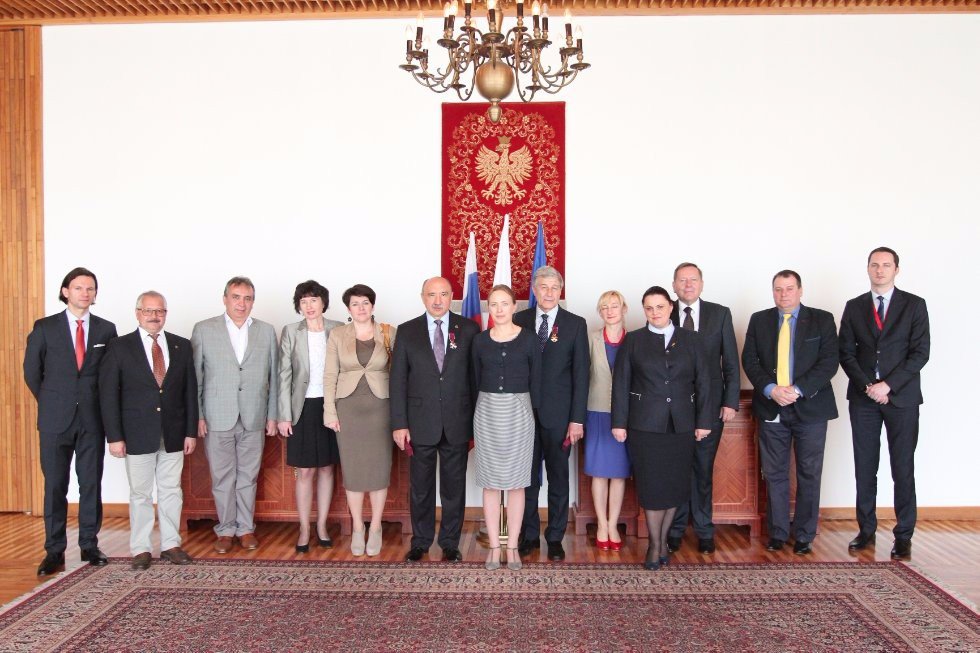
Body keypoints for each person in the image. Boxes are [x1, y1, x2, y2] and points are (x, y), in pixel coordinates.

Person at [24, 267, 118, 576]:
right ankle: (54, 550)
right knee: (55, 486)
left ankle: (89, 545)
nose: (85, 293)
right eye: (79, 288)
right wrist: (53, 400)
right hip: (54, 420)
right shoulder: (44, 328)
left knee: (91, 484)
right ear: (66, 291)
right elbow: (31, 373)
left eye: (90, 288)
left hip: (92, 419)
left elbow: (109, 377)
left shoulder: (106, 330)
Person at [839, 247, 930, 560]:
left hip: (901, 398)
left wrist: (888, 385)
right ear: (867, 269)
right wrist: (869, 386)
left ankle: (903, 535)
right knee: (865, 468)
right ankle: (866, 530)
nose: (880, 270)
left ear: (896, 270)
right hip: (864, 400)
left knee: (902, 467)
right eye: (874, 265)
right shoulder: (854, 307)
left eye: (886, 265)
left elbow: (920, 353)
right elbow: (846, 353)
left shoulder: (915, 306)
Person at [612, 286, 712, 570]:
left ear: (671, 307)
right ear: (644, 311)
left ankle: (663, 540)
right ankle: (655, 545)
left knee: (674, 488)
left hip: (681, 425)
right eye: (649, 308)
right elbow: (621, 384)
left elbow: (704, 381)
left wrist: (704, 421)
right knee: (653, 488)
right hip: (645, 426)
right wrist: (619, 423)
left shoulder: (691, 340)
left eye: (660, 306)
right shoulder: (634, 341)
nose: (655, 312)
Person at [742, 270, 839, 555]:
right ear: (772, 292)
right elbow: (750, 360)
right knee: (774, 473)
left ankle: (805, 534)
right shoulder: (759, 320)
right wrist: (771, 389)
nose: (783, 294)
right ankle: (778, 532)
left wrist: (797, 390)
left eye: (789, 288)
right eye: (778, 289)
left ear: (800, 290)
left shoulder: (822, 319)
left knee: (809, 472)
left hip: (811, 407)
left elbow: (829, 362)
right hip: (772, 407)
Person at [99, 291, 198, 570]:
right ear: (137, 313)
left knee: (171, 490)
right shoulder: (119, 347)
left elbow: (190, 391)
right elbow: (109, 395)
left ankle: (171, 544)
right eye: (149, 311)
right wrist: (115, 437)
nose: (154, 316)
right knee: (140, 493)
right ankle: (141, 548)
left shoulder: (181, 346)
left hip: (174, 432)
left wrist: (190, 431)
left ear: (166, 314)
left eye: (160, 311)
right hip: (135, 433)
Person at [390, 277, 480, 563]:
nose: (438, 300)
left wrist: (476, 424)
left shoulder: (468, 329)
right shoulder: (407, 331)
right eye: (432, 295)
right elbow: (398, 382)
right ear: (422, 297)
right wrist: (399, 424)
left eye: (443, 294)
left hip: (458, 421)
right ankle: (421, 542)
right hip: (419, 422)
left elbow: (475, 379)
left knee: (454, 488)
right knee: (421, 488)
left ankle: (450, 542)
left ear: (452, 296)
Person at [192, 276, 279, 553]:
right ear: (225, 299)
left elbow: (274, 377)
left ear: (253, 301)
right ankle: (225, 530)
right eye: (236, 297)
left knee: (248, 476)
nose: (242, 303)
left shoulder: (266, 331)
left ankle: (246, 529)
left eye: (248, 298)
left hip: (254, 415)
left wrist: (273, 415)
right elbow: (196, 377)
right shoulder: (205, 329)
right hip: (217, 416)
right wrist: (198, 415)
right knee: (222, 477)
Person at [514, 266, 590, 562]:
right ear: (534, 290)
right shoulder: (518, 320)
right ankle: (529, 535)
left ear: (561, 291)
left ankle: (555, 536)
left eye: (553, 287)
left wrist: (577, 419)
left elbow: (581, 375)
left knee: (558, 479)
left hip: (560, 418)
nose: (548, 292)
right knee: (527, 480)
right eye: (542, 287)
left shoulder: (575, 324)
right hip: (523, 416)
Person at [666, 263, 741, 555]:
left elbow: (731, 362)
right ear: (673, 285)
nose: (687, 285)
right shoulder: (663, 311)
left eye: (693, 280)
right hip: (673, 408)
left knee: (703, 469)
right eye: (682, 280)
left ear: (701, 283)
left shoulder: (719, 314)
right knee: (677, 470)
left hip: (710, 406)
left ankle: (704, 530)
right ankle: (675, 529)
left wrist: (730, 401)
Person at [471, 285, 541, 570]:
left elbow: (536, 381)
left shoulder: (529, 340)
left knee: (516, 483)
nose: (499, 309)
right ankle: (494, 547)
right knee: (490, 482)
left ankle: (512, 546)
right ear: (489, 308)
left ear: (514, 307)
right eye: (494, 304)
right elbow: (475, 379)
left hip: (519, 413)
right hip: (487, 412)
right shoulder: (479, 341)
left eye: (505, 304)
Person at [323, 284, 396, 557]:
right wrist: (329, 412)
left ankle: (375, 527)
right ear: (348, 309)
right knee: (353, 472)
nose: (361, 308)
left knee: (379, 470)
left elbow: (399, 374)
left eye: (366, 302)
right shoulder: (338, 335)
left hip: (381, 408)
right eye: (355, 304)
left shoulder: (389, 332)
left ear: (373, 306)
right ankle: (357, 527)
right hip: (348, 410)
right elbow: (330, 375)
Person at [277, 280, 344, 553]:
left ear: (323, 302)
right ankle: (304, 527)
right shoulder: (291, 332)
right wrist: (284, 415)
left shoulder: (338, 329)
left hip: (331, 406)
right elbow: (284, 375)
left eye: (313, 300)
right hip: (301, 408)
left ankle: (322, 525)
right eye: (303, 301)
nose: (309, 306)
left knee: (328, 467)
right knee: (305, 471)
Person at [584, 290, 631, 552]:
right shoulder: (591, 339)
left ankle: (614, 524)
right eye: (605, 307)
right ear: (600, 312)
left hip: (625, 415)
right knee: (600, 473)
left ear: (624, 309)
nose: (610, 311)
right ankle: (602, 524)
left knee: (619, 473)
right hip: (597, 413)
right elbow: (583, 376)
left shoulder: (635, 340)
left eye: (615, 306)